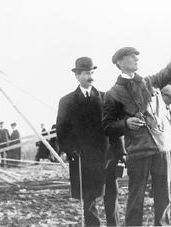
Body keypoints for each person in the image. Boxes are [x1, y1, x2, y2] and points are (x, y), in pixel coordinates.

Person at [102, 28, 171, 226]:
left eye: (135, 56)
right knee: (136, 198)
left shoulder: (150, 82)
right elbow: (107, 126)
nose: (135, 58)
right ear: (119, 63)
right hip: (138, 151)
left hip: (162, 147)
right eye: (130, 57)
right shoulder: (113, 94)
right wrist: (125, 123)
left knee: (163, 196)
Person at [56, 57, 120, 226]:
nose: (89, 76)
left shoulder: (106, 98)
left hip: (106, 156)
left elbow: (114, 128)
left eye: (91, 72)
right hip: (83, 158)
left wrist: (119, 153)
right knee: (89, 198)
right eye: (85, 73)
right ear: (77, 76)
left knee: (111, 196)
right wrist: (70, 150)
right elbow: (62, 131)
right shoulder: (67, 102)